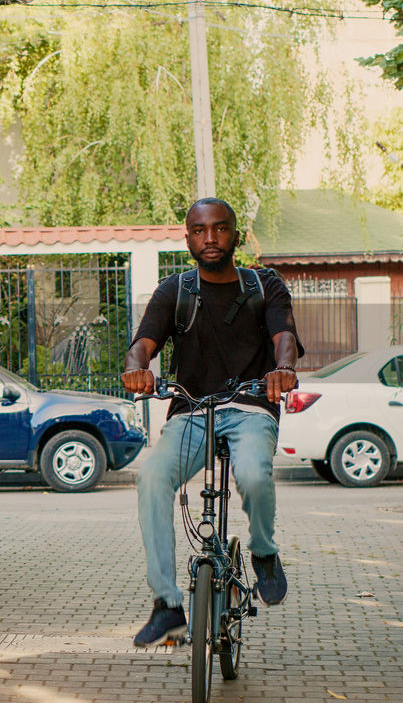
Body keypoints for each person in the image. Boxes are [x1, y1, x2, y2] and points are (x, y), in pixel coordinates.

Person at [122, 197, 303, 648]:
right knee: (151, 479)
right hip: (192, 411)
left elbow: (285, 339)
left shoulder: (265, 286)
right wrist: (136, 367)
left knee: (253, 475)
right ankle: (167, 606)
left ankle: (263, 550)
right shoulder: (176, 291)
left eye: (220, 229)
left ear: (235, 236)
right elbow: (141, 345)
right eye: (200, 231)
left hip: (249, 408)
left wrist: (282, 370)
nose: (210, 238)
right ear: (188, 239)